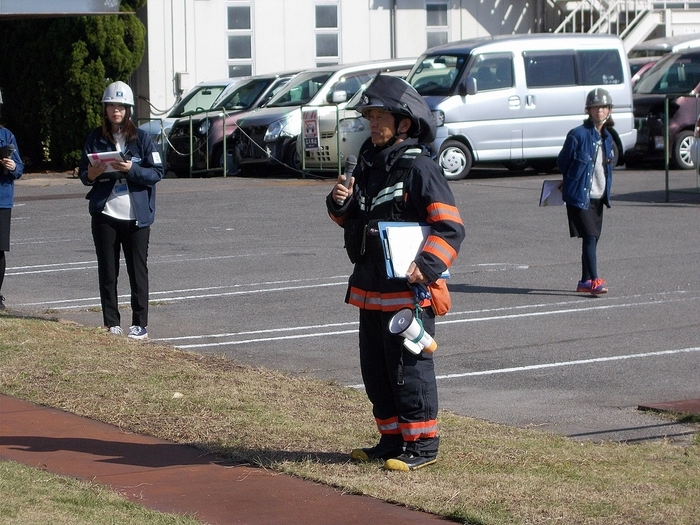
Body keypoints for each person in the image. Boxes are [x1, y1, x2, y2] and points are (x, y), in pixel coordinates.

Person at [326, 74, 465, 471]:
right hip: (370, 291)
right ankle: (390, 441)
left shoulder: (421, 168)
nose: (371, 123)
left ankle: (422, 446)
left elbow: (450, 227)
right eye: (368, 116)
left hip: (408, 294)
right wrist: (340, 203)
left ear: (403, 123)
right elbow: (353, 221)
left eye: (379, 116)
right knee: (377, 370)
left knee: (409, 370)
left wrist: (426, 266)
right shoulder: (369, 164)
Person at [78, 81, 164, 339]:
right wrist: (91, 175)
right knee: (107, 269)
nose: (116, 111)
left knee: (138, 270)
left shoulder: (143, 139)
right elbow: (84, 173)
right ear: (105, 109)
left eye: (121, 107)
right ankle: (111, 322)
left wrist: (131, 170)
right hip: (106, 213)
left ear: (128, 110)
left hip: (137, 216)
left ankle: (140, 323)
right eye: (111, 106)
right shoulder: (95, 138)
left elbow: (157, 172)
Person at [557, 87, 615, 295]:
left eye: (603, 107)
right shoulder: (578, 135)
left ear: (609, 110)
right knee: (590, 236)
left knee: (593, 238)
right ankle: (595, 281)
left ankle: (584, 281)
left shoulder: (608, 138)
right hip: (580, 196)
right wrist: (572, 179)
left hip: (599, 196)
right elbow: (562, 162)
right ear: (588, 110)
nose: (600, 111)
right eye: (595, 107)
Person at [0, 92, 24, 310]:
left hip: (2, 200)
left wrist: (12, 166)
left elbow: (19, 167)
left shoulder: (6, 136)